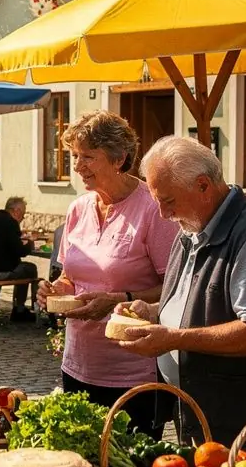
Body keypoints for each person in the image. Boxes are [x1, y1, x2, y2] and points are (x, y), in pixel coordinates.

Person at [119, 135, 246, 465]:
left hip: (244, 429)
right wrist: (153, 312)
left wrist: (173, 339)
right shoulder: (193, 225)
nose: (163, 213)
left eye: (168, 201)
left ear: (203, 186)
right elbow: (196, 301)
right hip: (200, 415)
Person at [36, 111, 178, 435]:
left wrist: (120, 299)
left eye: (88, 157)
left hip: (133, 372)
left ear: (119, 158)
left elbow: (175, 286)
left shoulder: (152, 209)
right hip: (78, 364)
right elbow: (70, 277)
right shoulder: (78, 209)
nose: (77, 167)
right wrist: (56, 290)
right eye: (75, 156)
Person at [0, 196, 38, 321]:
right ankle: (19, 309)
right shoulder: (11, 222)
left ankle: (19, 308)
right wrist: (30, 243)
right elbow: (20, 252)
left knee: (21, 267)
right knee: (29, 269)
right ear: (16, 211)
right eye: (23, 214)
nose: (22, 218)